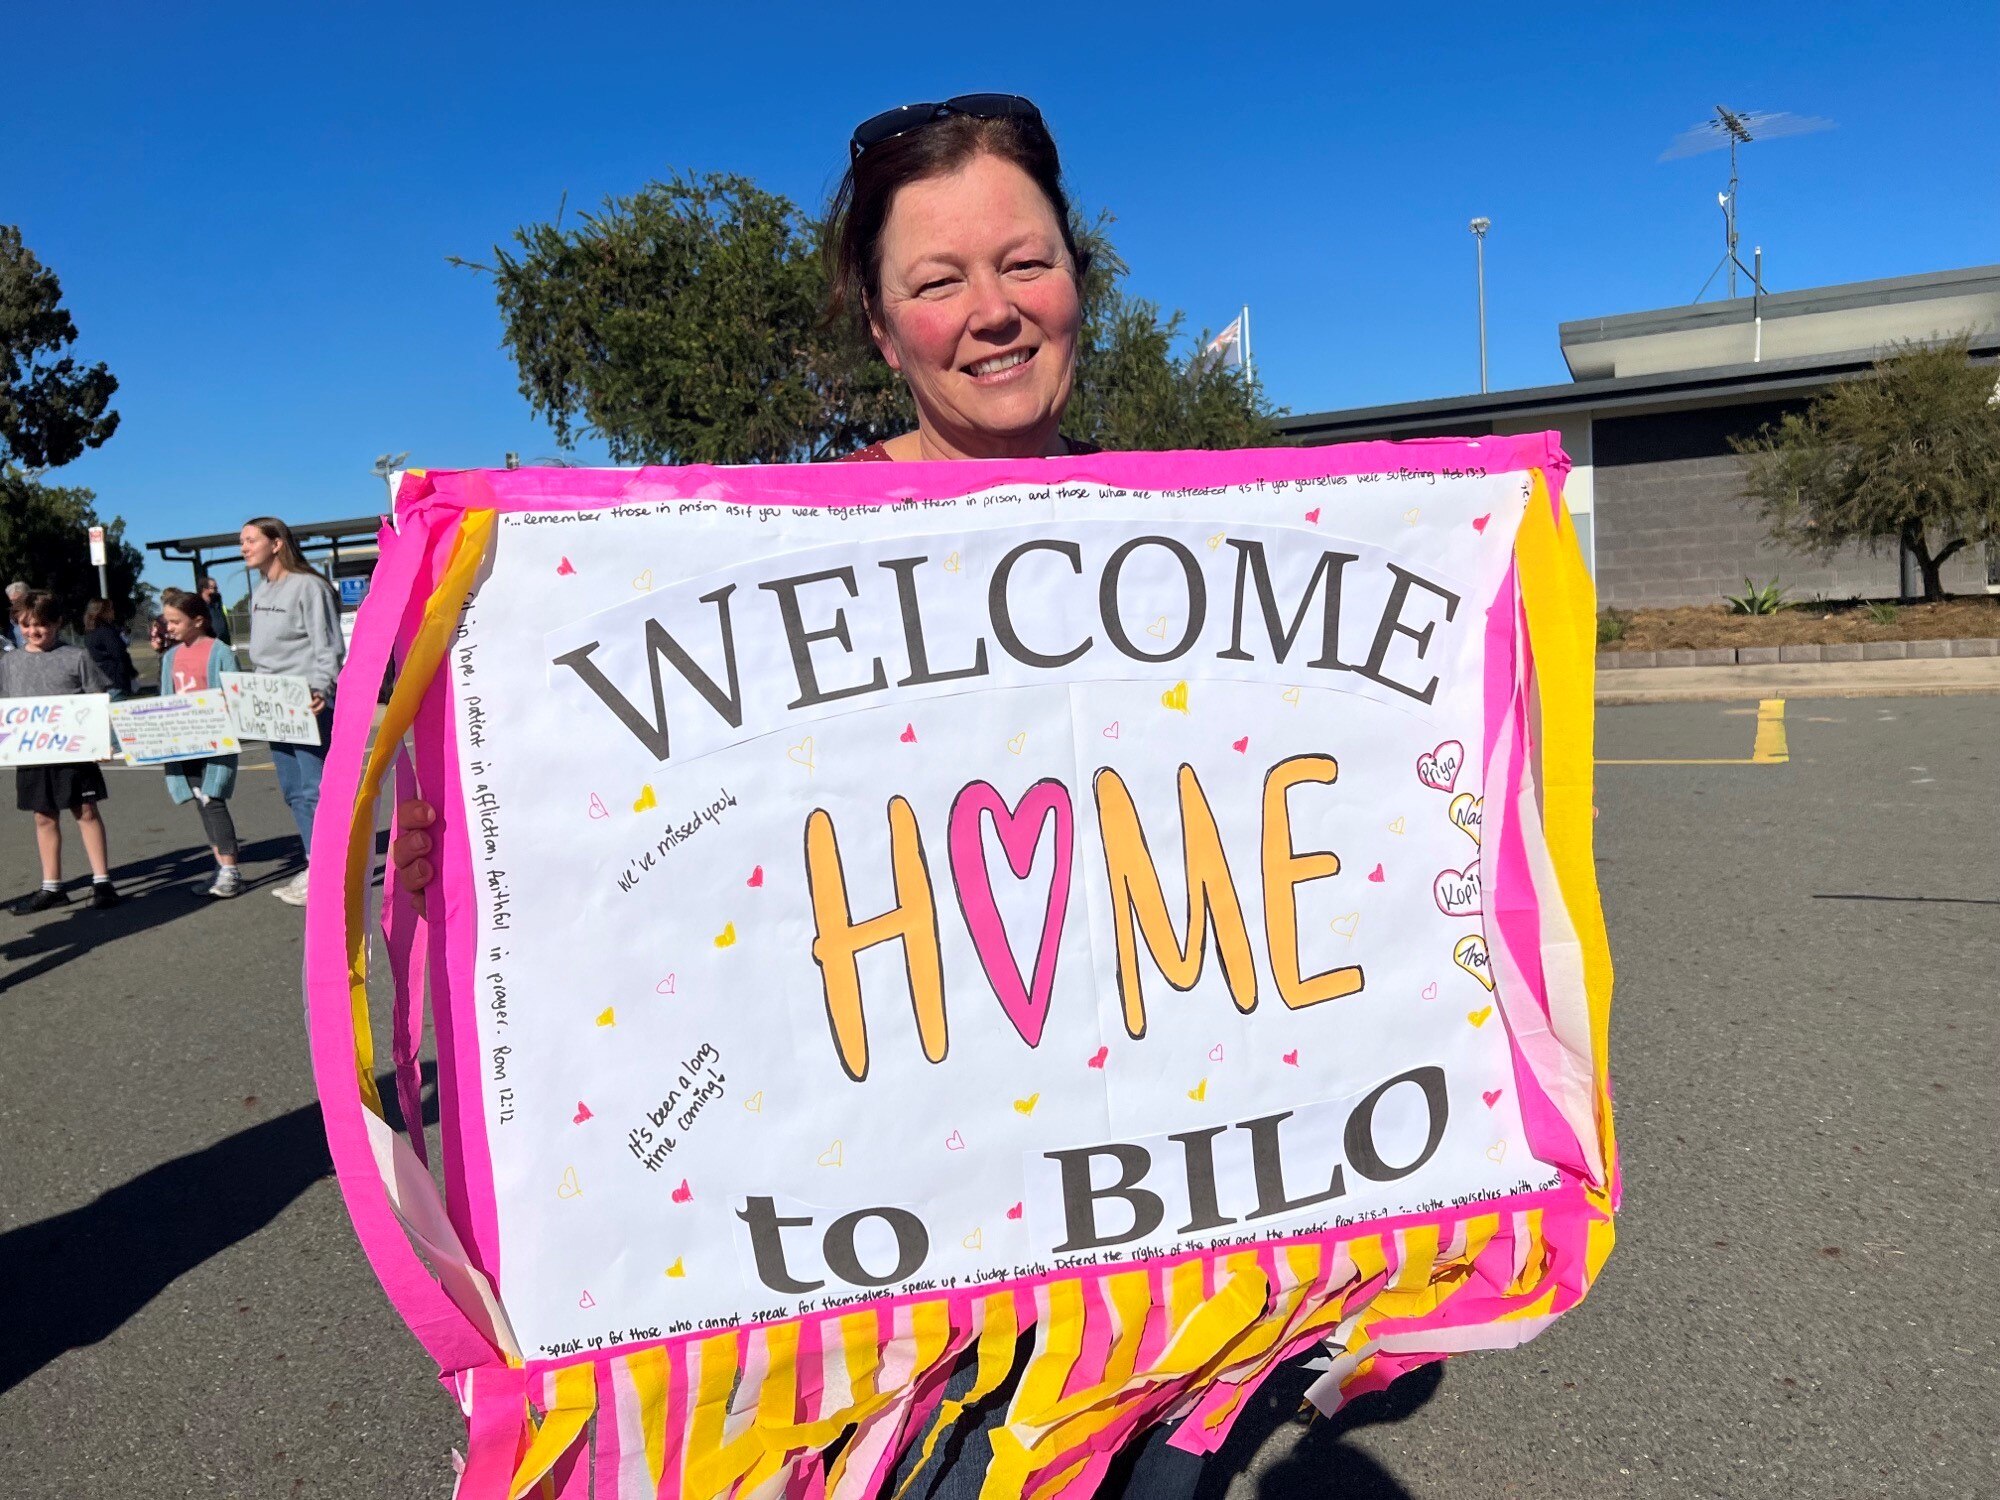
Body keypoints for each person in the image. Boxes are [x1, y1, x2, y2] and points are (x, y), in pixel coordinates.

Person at [389, 96, 1220, 1496]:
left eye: (1026, 263)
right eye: (939, 282)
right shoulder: (770, 555)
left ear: (1080, 278)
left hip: (1154, 1236)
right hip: (892, 1246)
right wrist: (473, 848)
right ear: (885, 330)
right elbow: (641, 844)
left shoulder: (1180, 538)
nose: (995, 312)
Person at [241, 516, 343, 906]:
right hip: (271, 703)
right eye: (242, 541)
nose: (244, 548)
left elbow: (327, 644)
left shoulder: (310, 587)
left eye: (251, 540)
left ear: (277, 543)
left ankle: (330, 872)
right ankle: (313, 861)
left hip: (305, 700)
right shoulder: (261, 591)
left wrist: (322, 687)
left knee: (317, 789)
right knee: (293, 791)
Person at [1, 592, 120, 910]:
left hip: (74, 755)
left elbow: (97, 701)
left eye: (41, 625)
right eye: (25, 625)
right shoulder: (9, 663)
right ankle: (52, 886)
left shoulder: (76, 657)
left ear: (57, 623)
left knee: (86, 812)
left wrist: (102, 740)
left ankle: (102, 881)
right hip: (32, 755)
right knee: (43, 817)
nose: (33, 631)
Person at [155, 587, 244, 897]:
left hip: (214, 743)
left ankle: (231, 870)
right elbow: (166, 699)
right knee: (201, 803)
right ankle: (220, 866)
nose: (169, 628)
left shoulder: (219, 651)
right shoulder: (170, 658)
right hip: (185, 745)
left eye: (175, 621)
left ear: (197, 620)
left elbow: (236, 693)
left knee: (213, 800)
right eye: (167, 622)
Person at [81, 599, 139, 700]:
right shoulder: (107, 632)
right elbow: (120, 654)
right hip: (115, 682)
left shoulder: (89, 634)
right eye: (110, 609)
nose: (113, 611)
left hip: (99, 682)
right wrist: (130, 673)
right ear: (102, 612)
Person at [197, 575, 234, 646]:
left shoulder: (217, 602)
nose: (216, 590)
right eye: (214, 588)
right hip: (209, 643)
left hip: (223, 641)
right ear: (204, 589)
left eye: (216, 588)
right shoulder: (198, 605)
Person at [5, 582, 29, 649]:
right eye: (12, 601)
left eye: (18, 600)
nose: (15, 603)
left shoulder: (38, 612)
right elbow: (11, 636)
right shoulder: (13, 615)